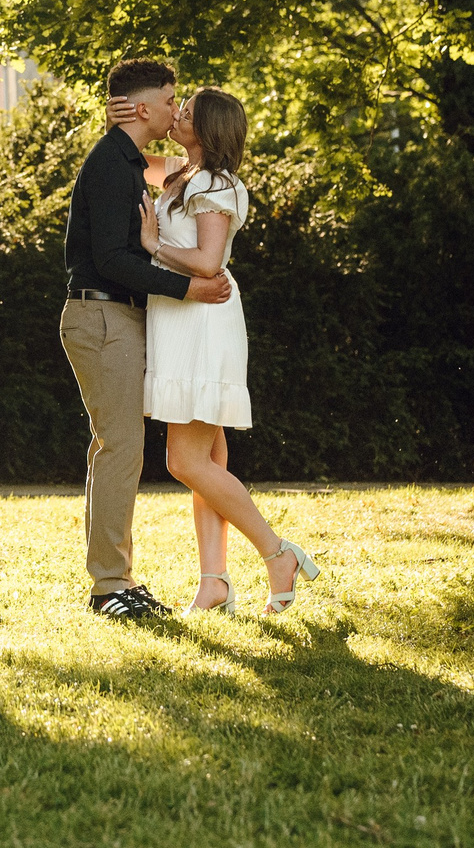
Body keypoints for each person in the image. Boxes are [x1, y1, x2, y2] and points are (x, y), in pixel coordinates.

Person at [126, 86, 319, 615]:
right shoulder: (181, 174)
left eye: (185, 111)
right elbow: (127, 156)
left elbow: (209, 260)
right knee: (208, 459)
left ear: (208, 130)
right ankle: (214, 582)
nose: (177, 113)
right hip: (182, 321)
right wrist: (131, 114)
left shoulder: (213, 182)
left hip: (203, 323)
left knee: (184, 460)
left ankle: (277, 553)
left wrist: (152, 247)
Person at [61, 59, 229, 619]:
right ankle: (110, 587)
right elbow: (112, 258)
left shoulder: (126, 159)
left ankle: (116, 581)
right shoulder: (113, 163)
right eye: (168, 98)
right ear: (142, 106)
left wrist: (126, 120)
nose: (175, 108)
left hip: (116, 320)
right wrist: (187, 289)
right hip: (103, 318)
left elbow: (184, 169)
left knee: (117, 449)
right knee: (121, 449)